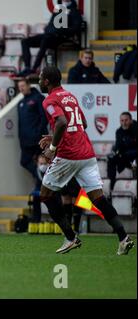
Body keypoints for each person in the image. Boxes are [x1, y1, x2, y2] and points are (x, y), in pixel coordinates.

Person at [38, 66, 134, 255]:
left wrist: (52, 148)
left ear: (47, 81)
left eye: (41, 78)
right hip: (87, 154)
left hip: (69, 155)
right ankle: (124, 237)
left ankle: (70, 237)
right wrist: (54, 136)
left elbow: (62, 122)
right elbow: (82, 123)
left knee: (46, 195)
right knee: (98, 198)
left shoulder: (49, 100)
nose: (39, 81)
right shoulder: (69, 96)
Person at [17, 0, 82, 77]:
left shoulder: (75, 11)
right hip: (50, 35)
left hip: (62, 38)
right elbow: (50, 24)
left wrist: (61, 30)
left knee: (45, 40)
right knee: (25, 41)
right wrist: (49, 30)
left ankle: (34, 68)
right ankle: (27, 67)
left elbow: (76, 28)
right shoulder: (58, 8)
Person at [17, 78, 48, 191]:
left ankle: (42, 184)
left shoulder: (38, 98)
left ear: (29, 85)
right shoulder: (21, 103)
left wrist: (38, 133)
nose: (21, 88)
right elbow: (20, 124)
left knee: (43, 163)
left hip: (38, 139)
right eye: (19, 87)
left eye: (23, 86)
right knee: (24, 161)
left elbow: (45, 118)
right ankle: (41, 180)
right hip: (25, 141)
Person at [107, 112, 137, 191]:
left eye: (126, 120)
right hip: (125, 156)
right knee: (111, 159)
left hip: (135, 155)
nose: (124, 123)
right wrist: (116, 153)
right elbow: (118, 147)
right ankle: (112, 184)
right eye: (122, 121)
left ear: (131, 120)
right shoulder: (119, 131)